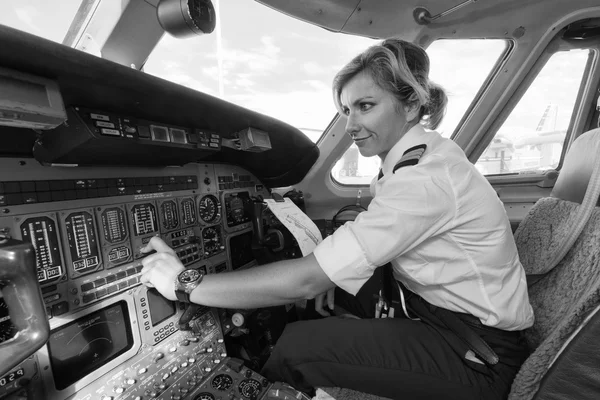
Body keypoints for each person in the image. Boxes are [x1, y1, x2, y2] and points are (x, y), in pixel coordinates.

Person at [140, 38, 534, 400]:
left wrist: (183, 283)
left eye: (366, 106)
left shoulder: (424, 180)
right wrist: (337, 274)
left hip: (478, 356)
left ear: (411, 106)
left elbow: (308, 279)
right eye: (346, 110)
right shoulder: (422, 161)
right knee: (331, 290)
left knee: (296, 346)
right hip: (440, 313)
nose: (350, 125)